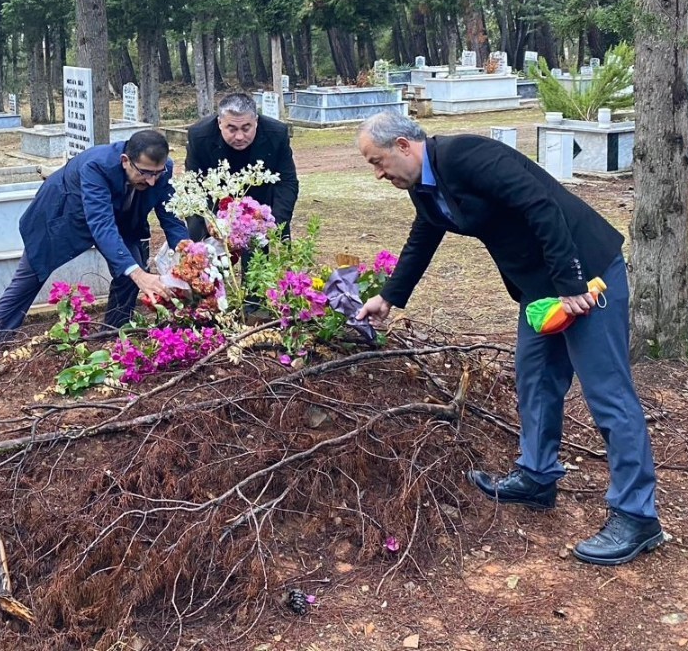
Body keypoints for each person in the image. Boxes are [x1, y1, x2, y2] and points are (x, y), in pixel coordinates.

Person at [353, 112, 662, 566]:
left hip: (585, 275)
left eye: (377, 162)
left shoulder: (466, 156)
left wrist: (571, 282)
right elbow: (425, 233)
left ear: (403, 145)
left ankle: (637, 516)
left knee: (607, 393)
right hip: (540, 290)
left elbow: (541, 203)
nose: (378, 174)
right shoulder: (423, 184)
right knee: (534, 378)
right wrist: (390, 296)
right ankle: (537, 477)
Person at [0, 129, 190, 341]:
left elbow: (171, 215)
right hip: (66, 216)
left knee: (129, 272)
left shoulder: (161, 170)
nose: (151, 182)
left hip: (120, 218)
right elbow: (101, 224)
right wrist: (139, 274)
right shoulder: (96, 166)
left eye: (157, 173)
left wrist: (189, 253)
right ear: (125, 161)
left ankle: (112, 336)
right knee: (30, 278)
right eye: (145, 173)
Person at [184, 93, 299, 242]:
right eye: (231, 129)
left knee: (265, 261)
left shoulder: (276, 134)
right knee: (208, 257)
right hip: (216, 203)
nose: (239, 137)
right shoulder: (199, 136)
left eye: (246, 128)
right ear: (219, 123)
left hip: (260, 205)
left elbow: (287, 182)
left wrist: (275, 224)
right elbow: (193, 185)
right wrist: (211, 224)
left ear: (256, 121)